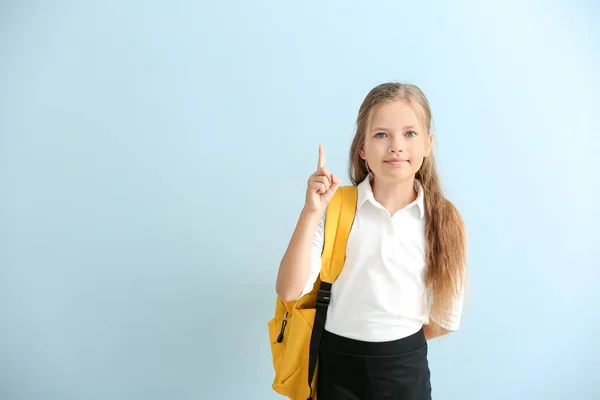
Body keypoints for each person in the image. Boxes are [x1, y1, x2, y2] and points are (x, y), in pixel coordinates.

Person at [275, 82, 468, 399]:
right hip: (337, 365)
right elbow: (288, 290)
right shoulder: (334, 206)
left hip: (406, 369)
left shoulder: (444, 219)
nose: (396, 146)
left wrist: (394, 343)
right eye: (381, 135)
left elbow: (446, 318)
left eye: (410, 134)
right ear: (361, 148)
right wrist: (310, 213)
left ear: (428, 144)